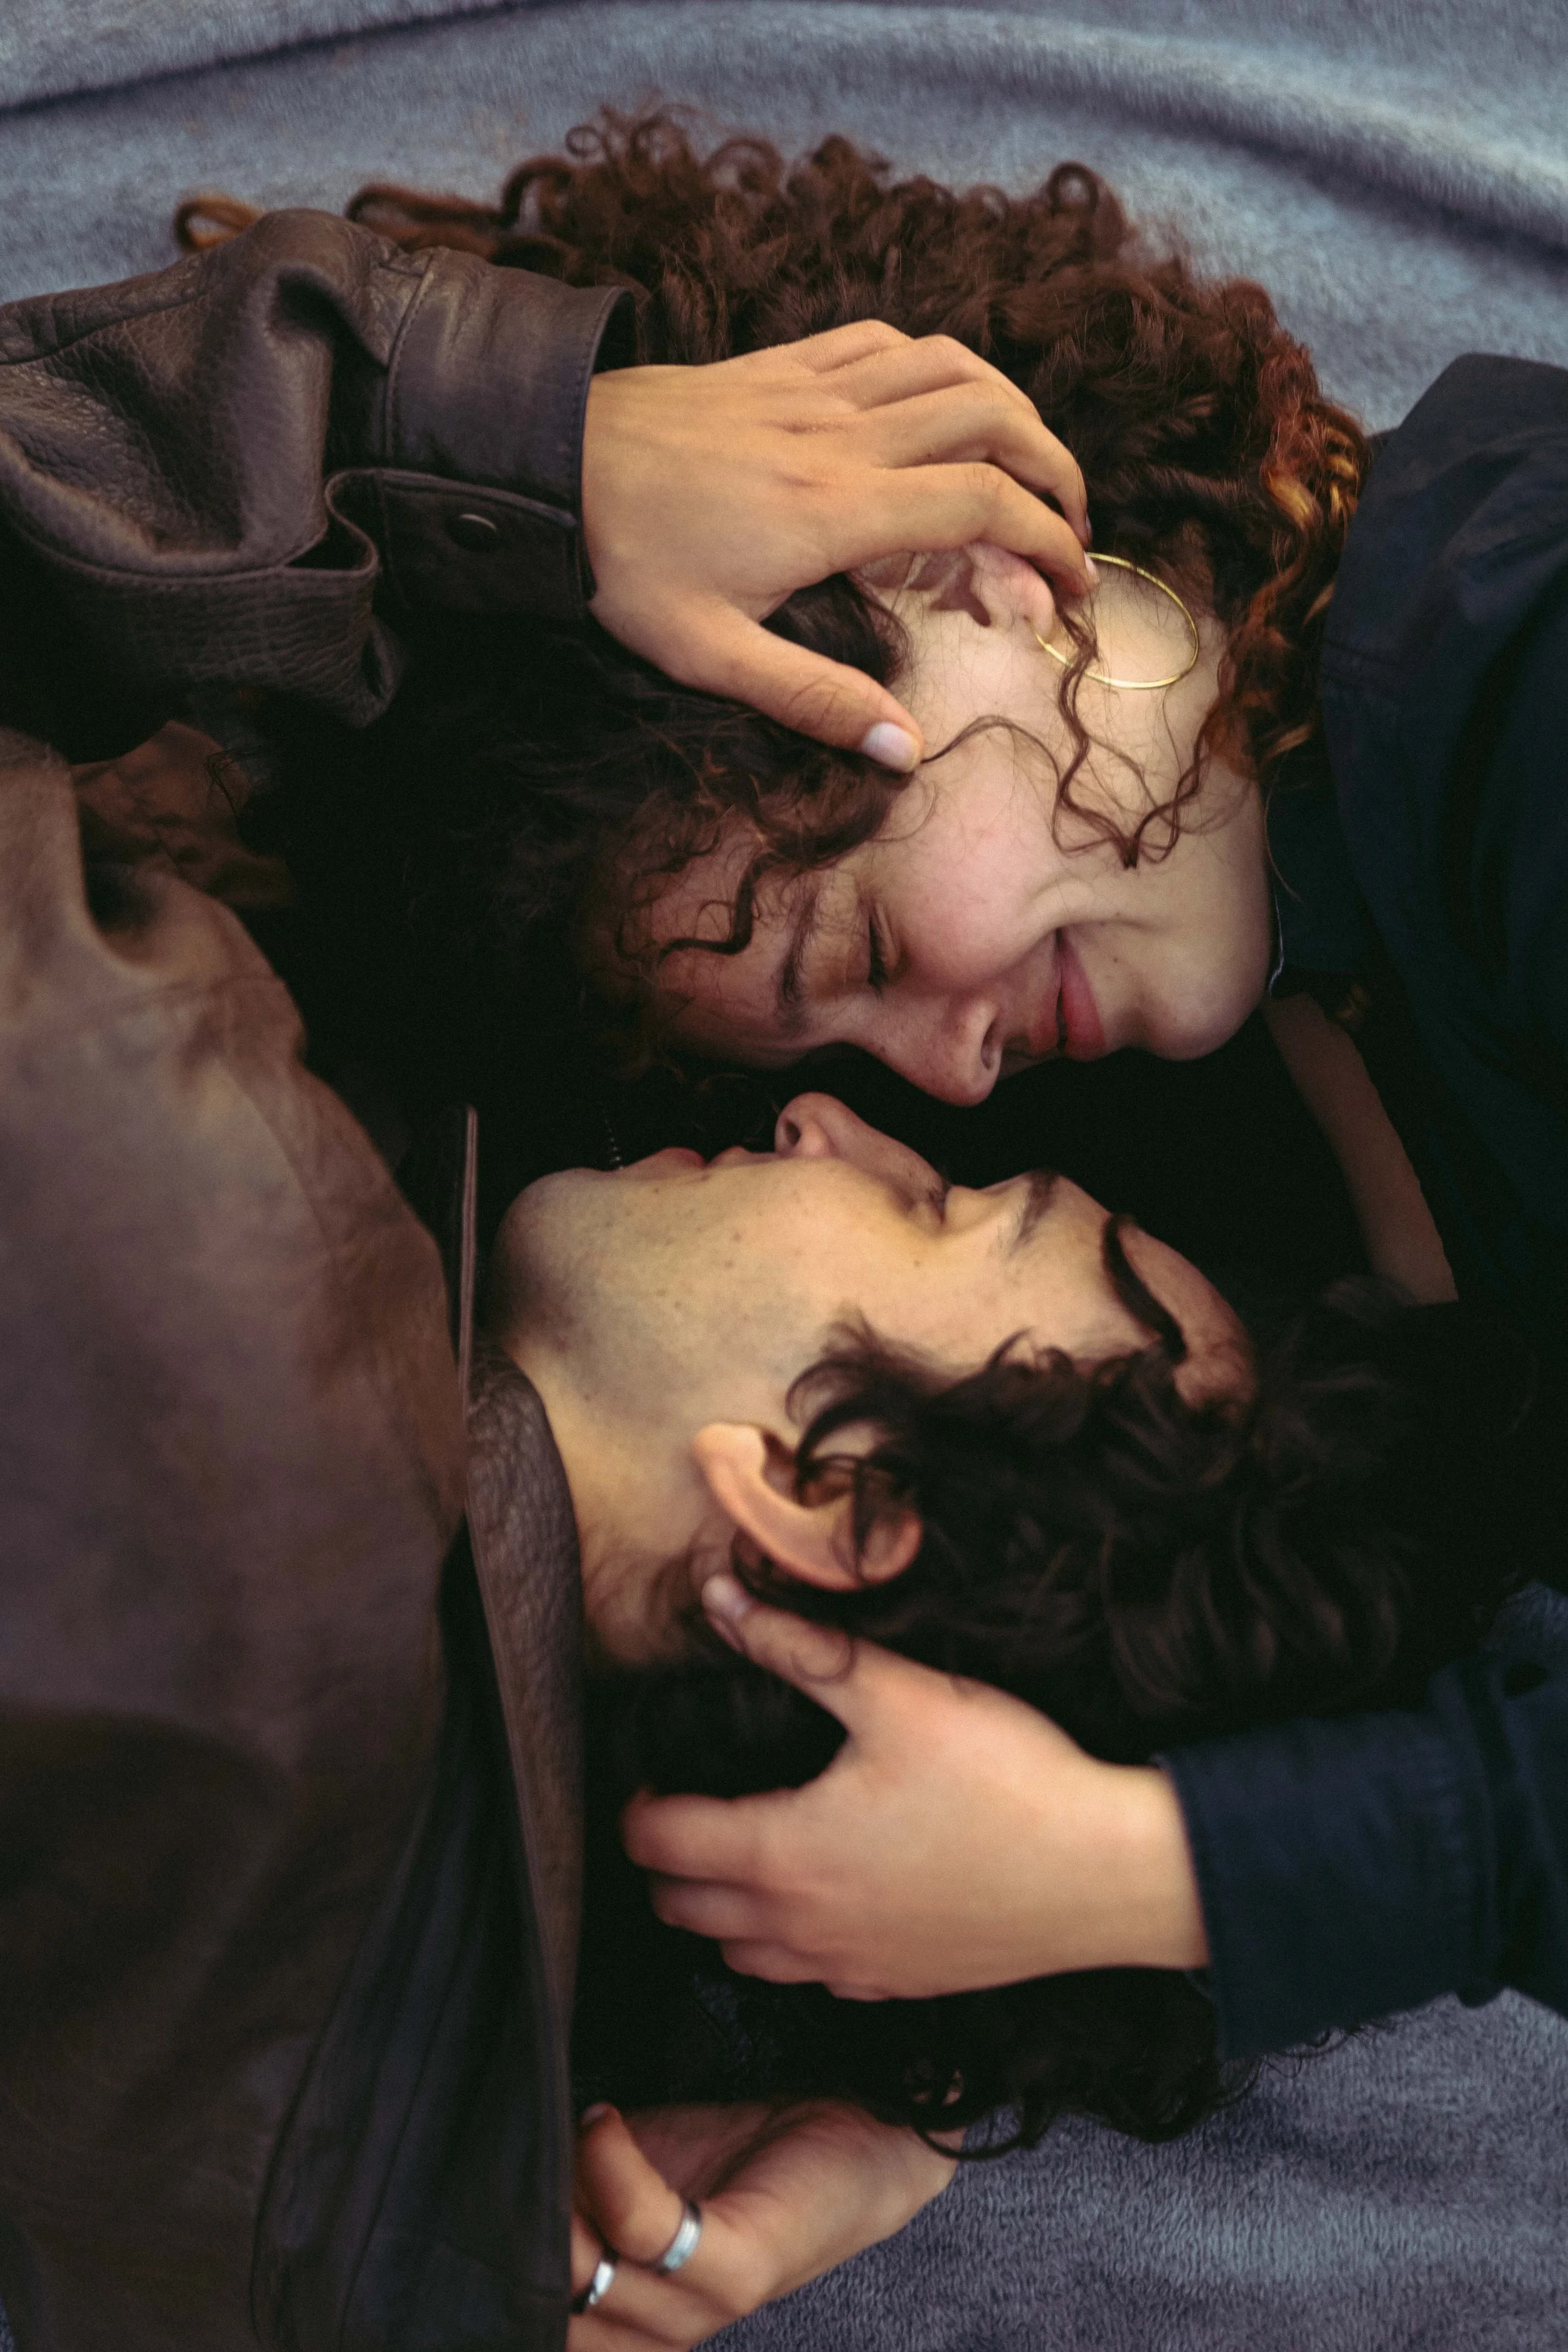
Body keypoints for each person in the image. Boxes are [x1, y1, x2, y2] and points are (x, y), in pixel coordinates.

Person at [273, 118, 1565, 2063]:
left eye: (862, 949)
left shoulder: (1518, 655)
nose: (943, 1072)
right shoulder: (1232, 984)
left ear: (969, 562)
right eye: (824, 1053)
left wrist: (1155, 1873)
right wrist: (507, 469)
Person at [0, 707, 1516, 2345]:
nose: (823, 1121)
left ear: (823, 1500)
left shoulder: (175, 1214)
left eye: (934, 1205)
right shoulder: (373, 2158)